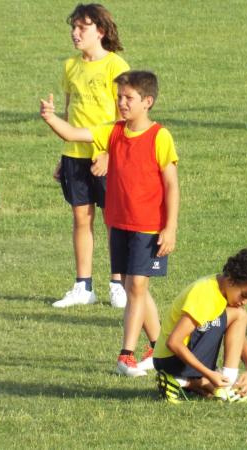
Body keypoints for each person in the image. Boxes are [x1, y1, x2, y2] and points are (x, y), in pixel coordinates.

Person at [40, 70, 180, 377]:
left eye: (128, 98)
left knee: (138, 286)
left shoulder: (160, 137)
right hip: (119, 224)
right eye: (119, 97)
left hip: (148, 227)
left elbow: (171, 185)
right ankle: (158, 349)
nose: (122, 103)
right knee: (134, 287)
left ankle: (126, 355)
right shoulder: (112, 131)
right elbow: (75, 135)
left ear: (147, 102)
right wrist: (51, 119)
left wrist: (170, 228)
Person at [52, 3, 130, 309]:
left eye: (82, 28)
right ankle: (83, 286)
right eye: (73, 27)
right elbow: (69, 109)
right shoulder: (70, 66)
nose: (75, 33)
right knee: (80, 218)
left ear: (100, 31)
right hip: (74, 154)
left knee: (114, 220)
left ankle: (117, 284)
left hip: (108, 154)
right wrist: (64, 154)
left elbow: (124, 117)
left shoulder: (116, 66)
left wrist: (109, 153)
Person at [153, 248, 247, 403]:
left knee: (238, 314)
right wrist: (209, 374)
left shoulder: (221, 291)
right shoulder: (206, 294)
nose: (244, 302)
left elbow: (238, 337)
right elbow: (174, 342)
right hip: (172, 359)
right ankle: (220, 387)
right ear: (232, 278)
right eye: (244, 295)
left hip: (174, 359)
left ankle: (184, 383)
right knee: (240, 314)